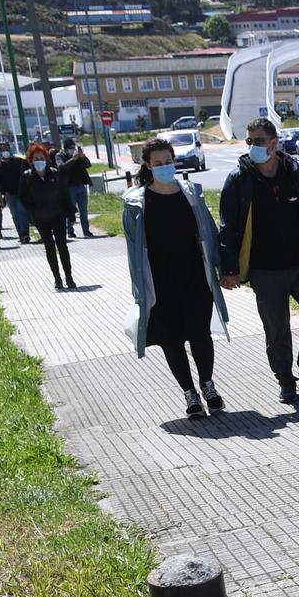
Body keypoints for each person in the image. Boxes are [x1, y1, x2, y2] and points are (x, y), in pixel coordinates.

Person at [216, 116, 299, 404]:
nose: (253, 147)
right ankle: (286, 379)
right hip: (264, 269)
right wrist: (228, 268)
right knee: (276, 329)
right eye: (249, 142)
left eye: (258, 141)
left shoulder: (298, 173)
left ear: (274, 142)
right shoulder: (239, 180)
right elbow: (228, 227)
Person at [123, 136, 229, 422]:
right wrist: (139, 290)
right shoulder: (135, 204)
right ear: (147, 165)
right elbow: (133, 250)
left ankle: (208, 386)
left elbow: (208, 231)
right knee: (171, 340)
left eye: (168, 162)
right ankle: (189, 393)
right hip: (159, 284)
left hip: (195, 278)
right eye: (158, 164)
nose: (165, 167)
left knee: (200, 334)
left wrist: (222, 268)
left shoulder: (191, 194)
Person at [19, 144, 76, 290]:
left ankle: (69, 277)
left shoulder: (55, 174)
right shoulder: (27, 176)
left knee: (62, 246)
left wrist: (70, 213)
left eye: (41, 158)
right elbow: (23, 197)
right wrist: (32, 212)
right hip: (40, 217)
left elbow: (64, 194)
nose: (39, 160)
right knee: (49, 247)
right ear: (31, 160)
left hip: (58, 215)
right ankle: (57, 279)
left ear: (46, 158)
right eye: (36, 158)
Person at [58, 136, 96, 239]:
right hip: (69, 187)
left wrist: (82, 157)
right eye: (70, 147)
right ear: (65, 148)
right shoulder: (60, 155)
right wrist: (72, 159)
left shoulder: (78, 156)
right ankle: (70, 231)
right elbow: (61, 168)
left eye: (73, 147)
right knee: (70, 210)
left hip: (81, 186)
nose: (72, 149)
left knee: (84, 210)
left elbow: (88, 165)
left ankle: (86, 230)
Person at [0, 141, 29, 244]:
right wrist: (4, 192)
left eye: (7, 149)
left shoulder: (18, 162)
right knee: (15, 214)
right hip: (8, 194)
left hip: (20, 192)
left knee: (22, 212)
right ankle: (21, 234)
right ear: (0, 151)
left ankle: (25, 233)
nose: (5, 151)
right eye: (3, 150)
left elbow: (24, 176)